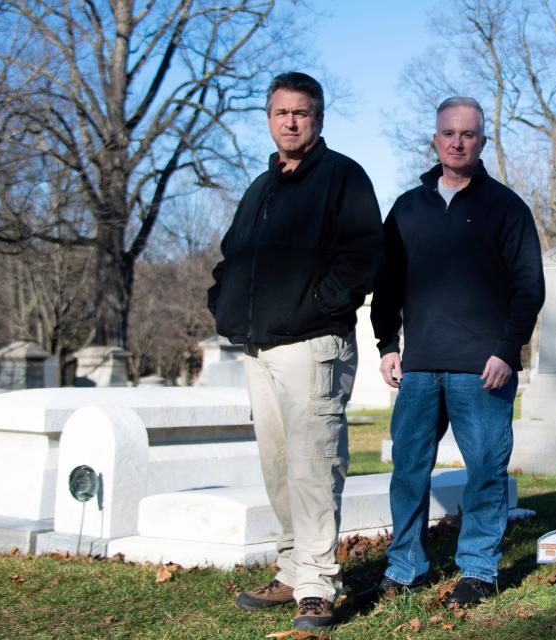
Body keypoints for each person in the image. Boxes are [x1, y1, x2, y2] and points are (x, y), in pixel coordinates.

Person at [207, 71, 383, 630]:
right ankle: (291, 569)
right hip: (260, 348)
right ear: (269, 118)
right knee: (278, 465)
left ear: (319, 118)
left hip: (312, 345)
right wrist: (224, 304)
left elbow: (362, 257)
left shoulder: (341, 177)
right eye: (281, 112)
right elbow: (232, 254)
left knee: (314, 466)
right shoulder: (261, 187)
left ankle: (318, 583)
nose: (290, 121)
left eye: (301, 113)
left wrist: (313, 306)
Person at [370, 96, 545, 607]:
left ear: (483, 142)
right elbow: (388, 282)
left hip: (483, 367)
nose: (457, 142)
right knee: (407, 470)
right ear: (435, 139)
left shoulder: (506, 208)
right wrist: (387, 343)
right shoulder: (407, 207)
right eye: (449, 133)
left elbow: (528, 285)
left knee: (486, 470)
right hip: (420, 366)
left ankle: (478, 570)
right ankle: (404, 567)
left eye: (469, 134)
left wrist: (506, 349)